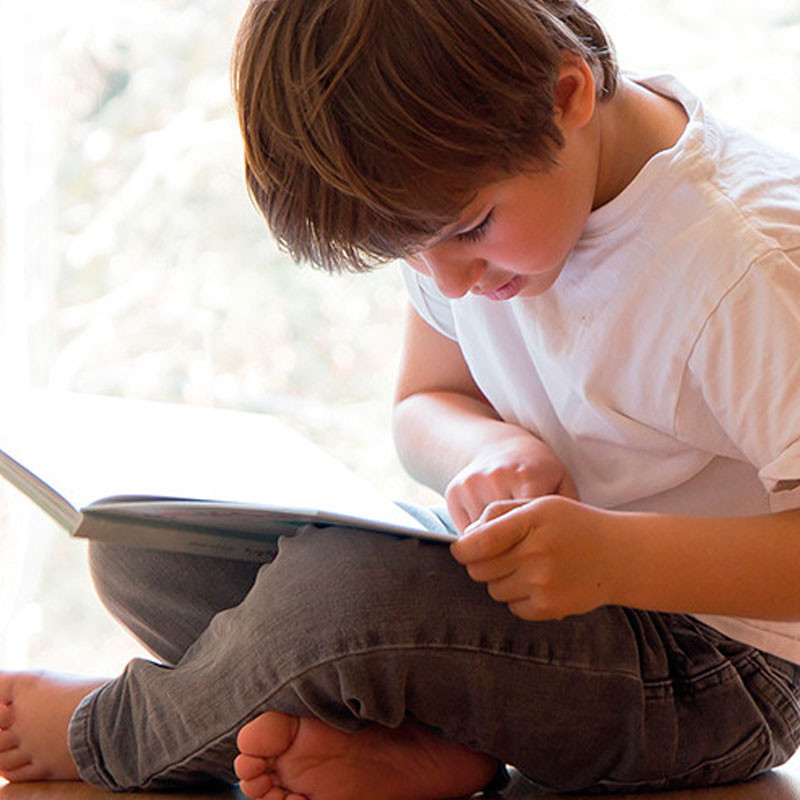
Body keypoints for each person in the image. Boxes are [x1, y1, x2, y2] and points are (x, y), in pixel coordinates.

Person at [2, 0, 800, 798]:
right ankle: (424, 748)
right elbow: (426, 400)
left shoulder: (747, 262)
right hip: (547, 597)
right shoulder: (473, 206)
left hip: (720, 666)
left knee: (334, 602)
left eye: (470, 228)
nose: (448, 281)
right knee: (150, 545)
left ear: (567, 96)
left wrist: (615, 558)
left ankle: (111, 733)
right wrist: (489, 448)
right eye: (411, 252)